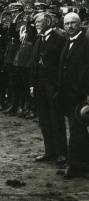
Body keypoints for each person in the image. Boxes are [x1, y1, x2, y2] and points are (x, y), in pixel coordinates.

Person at [31, 12, 67, 164]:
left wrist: (60, 87)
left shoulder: (59, 38)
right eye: (35, 22)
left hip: (53, 86)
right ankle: (49, 151)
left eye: (39, 21)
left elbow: (62, 64)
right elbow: (33, 64)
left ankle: (62, 153)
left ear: (48, 22)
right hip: (40, 86)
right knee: (44, 119)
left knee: (56, 119)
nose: (36, 24)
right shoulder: (39, 39)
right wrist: (32, 84)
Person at [58, 12, 89, 178]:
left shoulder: (86, 42)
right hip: (68, 94)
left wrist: (83, 91)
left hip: (81, 93)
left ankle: (77, 165)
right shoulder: (67, 42)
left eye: (73, 23)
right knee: (76, 129)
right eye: (67, 23)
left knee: (79, 129)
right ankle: (77, 163)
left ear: (80, 24)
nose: (70, 26)